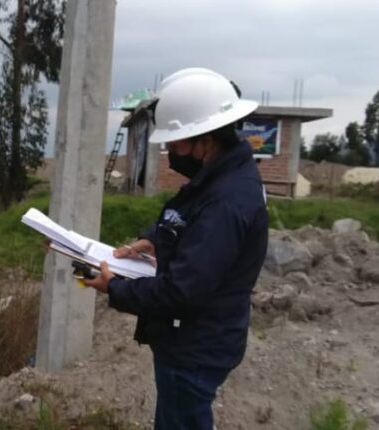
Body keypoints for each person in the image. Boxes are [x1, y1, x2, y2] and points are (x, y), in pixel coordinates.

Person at [84, 68, 269, 430]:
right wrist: (154, 237)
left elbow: (183, 289)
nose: (171, 151)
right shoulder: (219, 179)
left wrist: (115, 288)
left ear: (205, 139)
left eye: (177, 141)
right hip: (191, 339)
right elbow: (187, 217)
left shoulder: (227, 200)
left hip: (195, 347)